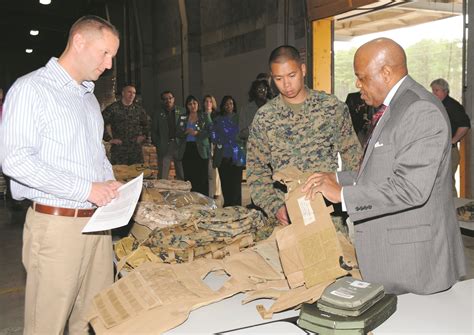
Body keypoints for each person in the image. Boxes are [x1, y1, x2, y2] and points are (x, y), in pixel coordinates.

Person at [303, 38, 466, 295]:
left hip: (415, 264)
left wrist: (342, 195)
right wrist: (337, 178)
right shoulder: (396, 106)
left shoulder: (419, 109)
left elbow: (410, 188)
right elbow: (383, 171)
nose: (357, 85)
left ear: (386, 72)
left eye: (361, 77)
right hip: (397, 258)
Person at [1, 15, 122, 334]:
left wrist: (109, 183)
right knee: (47, 325)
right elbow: (15, 160)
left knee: (91, 319)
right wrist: (87, 188)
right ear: (79, 42)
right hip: (56, 228)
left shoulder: (88, 99)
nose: (109, 65)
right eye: (105, 53)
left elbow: (96, 155)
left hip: (97, 227)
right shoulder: (31, 89)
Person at [246, 45, 362, 227]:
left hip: (328, 215)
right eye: (278, 78)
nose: (286, 84)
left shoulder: (331, 108)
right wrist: (275, 206)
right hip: (287, 217)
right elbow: (256, 171)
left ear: (303, 70)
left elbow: (354, 159)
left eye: (292, 76)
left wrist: (345, 196)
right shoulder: (265, 117)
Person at [430, 78, 471, 196]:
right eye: (433, 90)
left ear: (445, 91)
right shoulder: (438, 105)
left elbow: (464, 125)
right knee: (439, 182)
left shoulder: (453, 106)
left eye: (436, 90)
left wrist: (452, 141)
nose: (433, 93)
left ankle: (453, 211)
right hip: (438, 149)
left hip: (449, 151)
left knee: (447, 182)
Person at [102, 84, 150, 165]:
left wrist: (144, 136)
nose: (132, 95)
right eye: (129, 92)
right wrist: (109, 139)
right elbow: (100, 123)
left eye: (134, 93)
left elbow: (147, 124)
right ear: (123, 93)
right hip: (119, 149)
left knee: (137, 174)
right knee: (120, 174)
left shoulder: (139, 110)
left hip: (135, 149)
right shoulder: (113, 108)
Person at [211, 95, 245, 206]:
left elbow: (243, 135)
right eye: (226, 104)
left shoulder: (239, 118)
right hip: (223, 157)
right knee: (226, 186)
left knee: (236, 187)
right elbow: (214, 137)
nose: (228, 106)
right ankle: (228, 209)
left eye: (231, 103)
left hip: (236, 157)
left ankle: (238, 210)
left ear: (234, 105)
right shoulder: (218, 120)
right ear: (223, 106)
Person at [179, 95, 212, 195]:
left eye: (194, 103)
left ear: (198, 104)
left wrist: (197, 133)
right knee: (189, 176)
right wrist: (184, 132)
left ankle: (204, 201)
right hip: (187, 149)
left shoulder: (204, 116)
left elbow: (210, 131)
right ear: (187, 106)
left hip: (201, 149)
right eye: (190, 104)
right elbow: (177, 132)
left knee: (202, 177)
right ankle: (191, 201)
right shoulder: (183, 117)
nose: (192, 106)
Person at [152, 90, 186, 180]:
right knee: (163, 174)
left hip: (179, 145)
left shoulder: (182, 111)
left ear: (174, 99)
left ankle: (182, 192)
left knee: (181, 172)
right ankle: (162, 193)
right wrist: (158, 144)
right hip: (164, 146)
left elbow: (186, 128)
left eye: (170, 98)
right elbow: (154, 131)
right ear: (162, 101)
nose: (168, 100)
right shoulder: (157, 113)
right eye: (165, 99)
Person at [239, 79, 272, 151]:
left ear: (267, 90)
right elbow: (241, 134)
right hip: (252, 152)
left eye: (264, 88)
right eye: (259, 88)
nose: (261, 91)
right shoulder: (246, 110)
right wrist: (254, 128)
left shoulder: (274, 107)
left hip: (271, 153)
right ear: (254, 91)